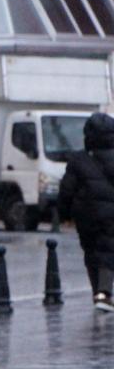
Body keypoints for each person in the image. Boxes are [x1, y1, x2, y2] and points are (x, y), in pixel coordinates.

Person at [57, 112, 114, 312]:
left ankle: (98, 293)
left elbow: (67, 190)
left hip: (86, 216)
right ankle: (104, 294)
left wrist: (64, 215)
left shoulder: (78, 160)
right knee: (107, 251)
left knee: (91, 252)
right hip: (111, 215)